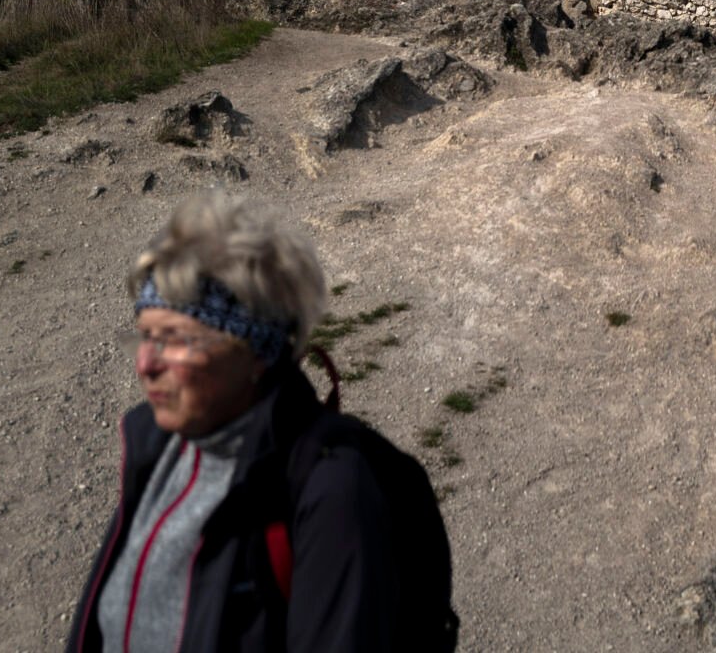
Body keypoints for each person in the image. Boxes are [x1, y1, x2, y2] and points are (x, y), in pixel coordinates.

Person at [68, 192, 456, 652]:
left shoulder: (331, 493)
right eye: (144, 336)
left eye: (174, 340)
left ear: (253, 350)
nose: (146, 364)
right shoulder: (161, 449)